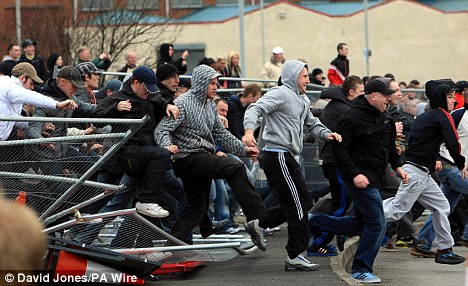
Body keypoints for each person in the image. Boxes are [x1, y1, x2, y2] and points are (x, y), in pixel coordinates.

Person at [243, 60, 342, 271]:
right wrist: (249, 131)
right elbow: (255, 108)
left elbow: (313, 123)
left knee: (303, 202)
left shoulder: (303, 99)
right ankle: (295, 255)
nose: (308, 80)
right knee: (297, 205)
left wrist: (327, 134)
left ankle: (260, 223)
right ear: (293, 76)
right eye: (304, 76)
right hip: (276, 154)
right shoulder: (280, 93)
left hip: (289, 156)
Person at [154, 64, 266, 247]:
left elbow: (221, 134)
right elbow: (161, 130)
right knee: (234, 167)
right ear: (200, 83)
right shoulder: (183, 103)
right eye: (212, 83)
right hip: (188, 158)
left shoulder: (208, 106)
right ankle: (259, 219)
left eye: (216, 83)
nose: (216, 87)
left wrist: (245, 150)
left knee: (197, 208)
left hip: (200, 158)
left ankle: (170, 248)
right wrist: (168, 145)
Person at [308, 78, 408, 283]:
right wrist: (354, 174)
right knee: (377, 223)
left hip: (375, 177)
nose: (388, 99)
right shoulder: (352, 117)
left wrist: (398, 168)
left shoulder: (385, 117)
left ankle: (313, 221)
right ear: (373, 96)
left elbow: (389, 148)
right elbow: (339, 150)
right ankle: (360, 268)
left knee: (360, 224)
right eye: (385, 96)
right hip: (359, 179)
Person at [383, 80, 467, 265]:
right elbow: (454, 143)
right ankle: (364, 216)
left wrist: (435, 157)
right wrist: (461, 164)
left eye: (454, 96)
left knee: (442, 206)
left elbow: (425, 142)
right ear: (440, 98)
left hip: (421, 172)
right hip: (415, 172)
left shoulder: (428, 116)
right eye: (450, 96)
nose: (454, 100)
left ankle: (444, 249)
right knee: (397, 210)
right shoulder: (442, 116)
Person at [308, 75, 363, 256]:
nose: (363, 96)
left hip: (333, 161)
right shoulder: (342, 109)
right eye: (361, 92)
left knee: (340, 203)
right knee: (341, 205)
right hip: (335, 161)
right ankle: (317, 240)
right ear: (351, 92)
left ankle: (323, 235)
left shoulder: (339, 106)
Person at [412, 89, 468, 258]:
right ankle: (466, 236)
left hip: (460, 168)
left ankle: (423, 242)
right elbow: (438, 137)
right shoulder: (458, 115)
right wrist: (437, 157)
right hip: (449, 166)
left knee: (443, 207)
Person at [0, 63, 77, 141]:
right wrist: (57, 104)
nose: (32, 87)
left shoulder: (9, 90)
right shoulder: (8, 85)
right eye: (31, 83)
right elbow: (29, 96)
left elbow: (14, 119)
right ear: (23, 78)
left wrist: (38, 125)